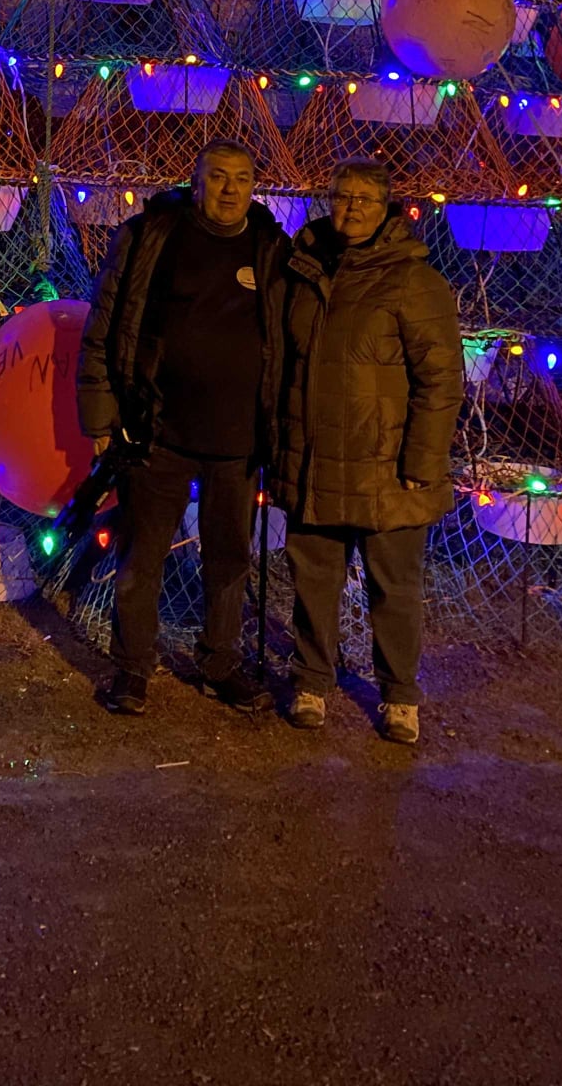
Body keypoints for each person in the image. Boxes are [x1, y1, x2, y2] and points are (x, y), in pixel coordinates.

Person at [76, 141, 288, 716]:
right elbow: (105, 324)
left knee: (228, 559)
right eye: (217, 177)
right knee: (142, 556)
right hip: (157, 430)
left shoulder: (271, 248)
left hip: (237, 442)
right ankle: (131, 668)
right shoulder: (152, 237)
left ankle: (221, 663)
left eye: (241, 179)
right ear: (196, 181)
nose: (228, 190)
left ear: (253, 186)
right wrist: (100, 416)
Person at [273, 157, 463, 746]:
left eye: (366, 199)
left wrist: (422, 463)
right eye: (342, 196)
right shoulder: (303, 270)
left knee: (394, 586)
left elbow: (441, 380)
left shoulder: (413, 280)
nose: (352, 208)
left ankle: (399, 694)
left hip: (387, 468)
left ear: (387, 210)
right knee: (313, 579)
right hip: (313, 456)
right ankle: (311, 680)